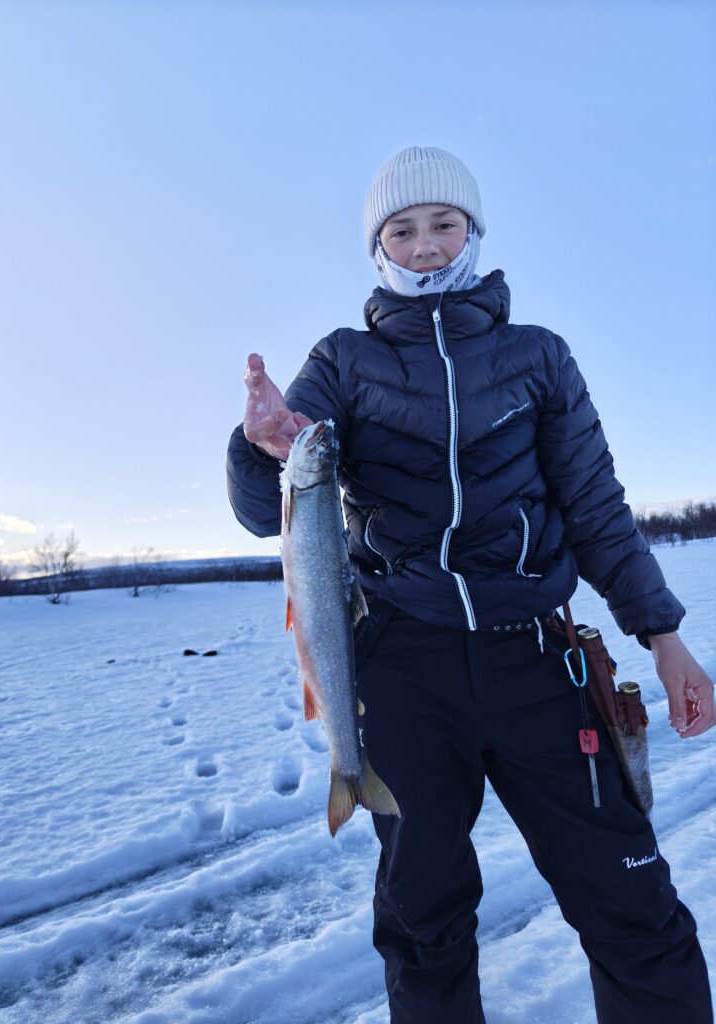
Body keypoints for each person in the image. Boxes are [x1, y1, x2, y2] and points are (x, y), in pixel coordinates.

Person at [226, 146, 714, 1023]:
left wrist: (665, 636)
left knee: (631, 900)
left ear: (474, 232)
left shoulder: (539, 357)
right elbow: (274, 507)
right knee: (424, 919)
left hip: (537, 656)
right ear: (377, 248)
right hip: (403, 667)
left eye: (443, 225)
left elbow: (597, 506)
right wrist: (255, 444)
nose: (424, 246)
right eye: (402, 230)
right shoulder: (342, 361)